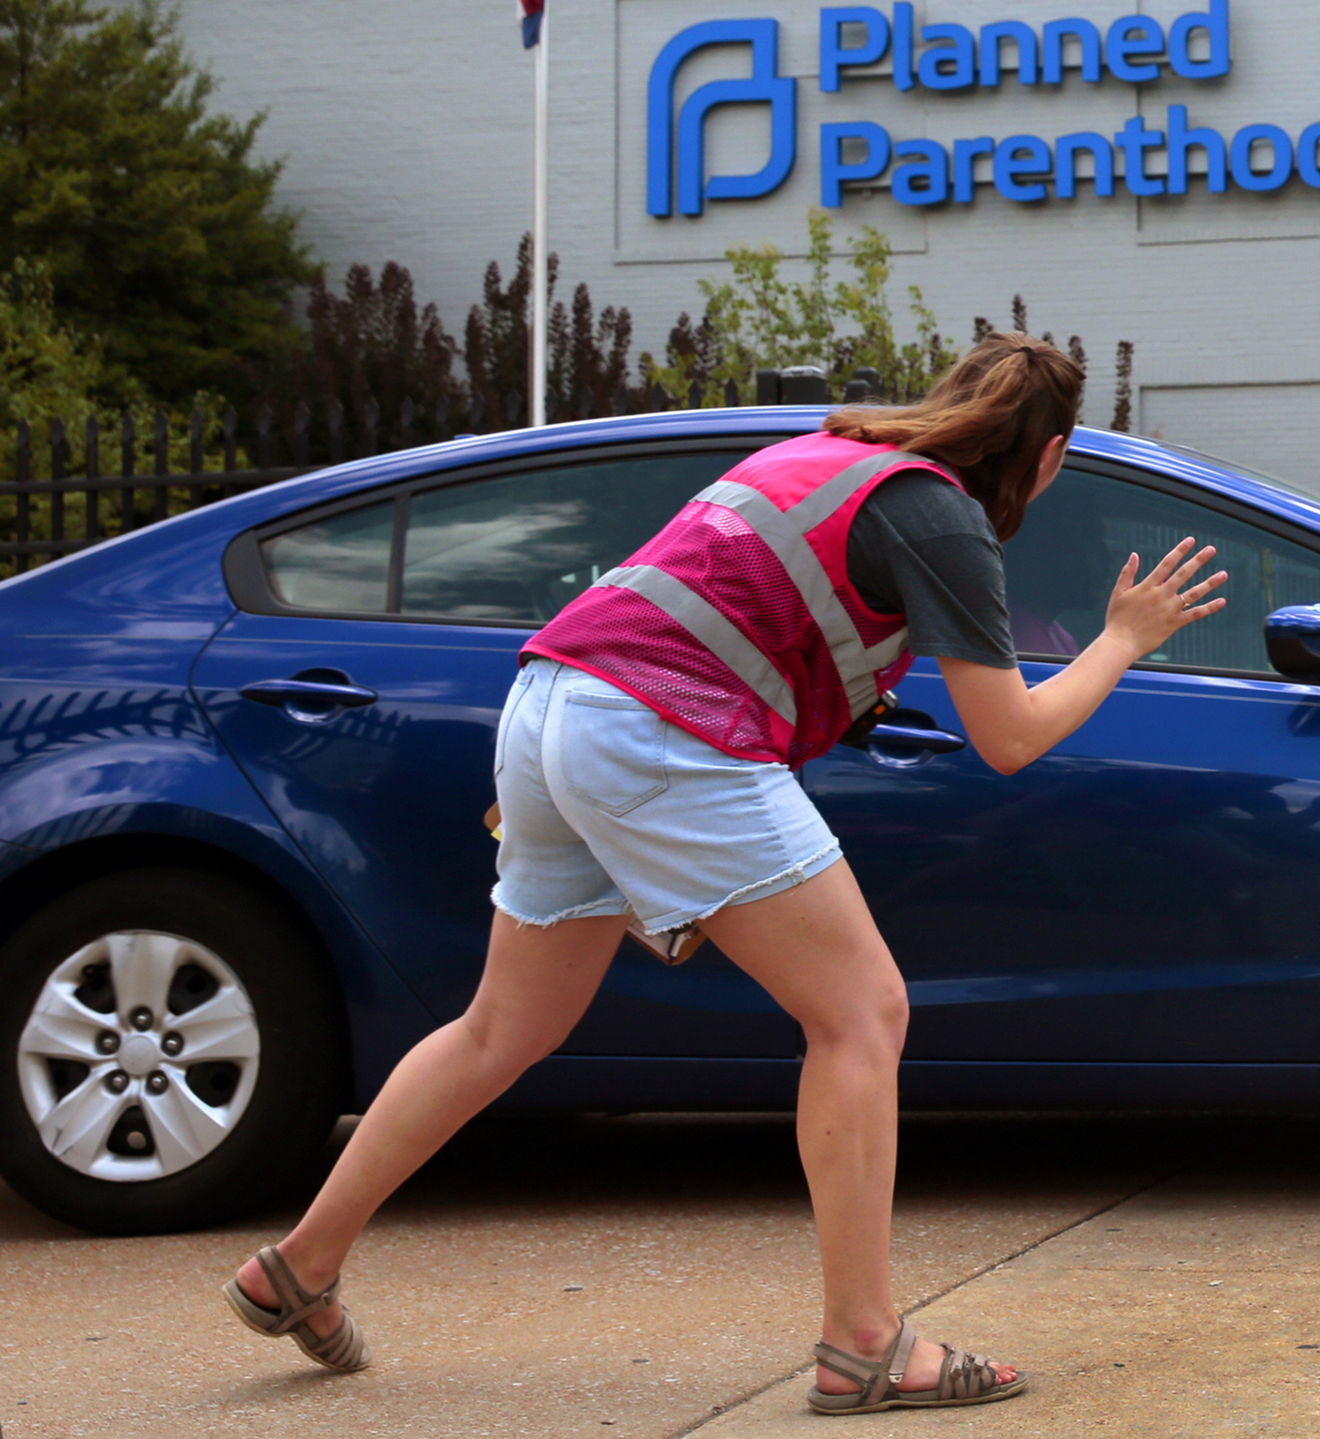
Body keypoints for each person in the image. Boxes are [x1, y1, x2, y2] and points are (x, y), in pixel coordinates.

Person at [221, 332, 1225, 1414]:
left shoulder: (824, 452)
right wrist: (1125, 637)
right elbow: (1011, 735)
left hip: (552, 703)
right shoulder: (943, 515)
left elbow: (738, 607)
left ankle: (300, 1264)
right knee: (863, 1013)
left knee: (498, 1029)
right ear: (1053, 453)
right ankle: (864, 1341)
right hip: (656, 733)